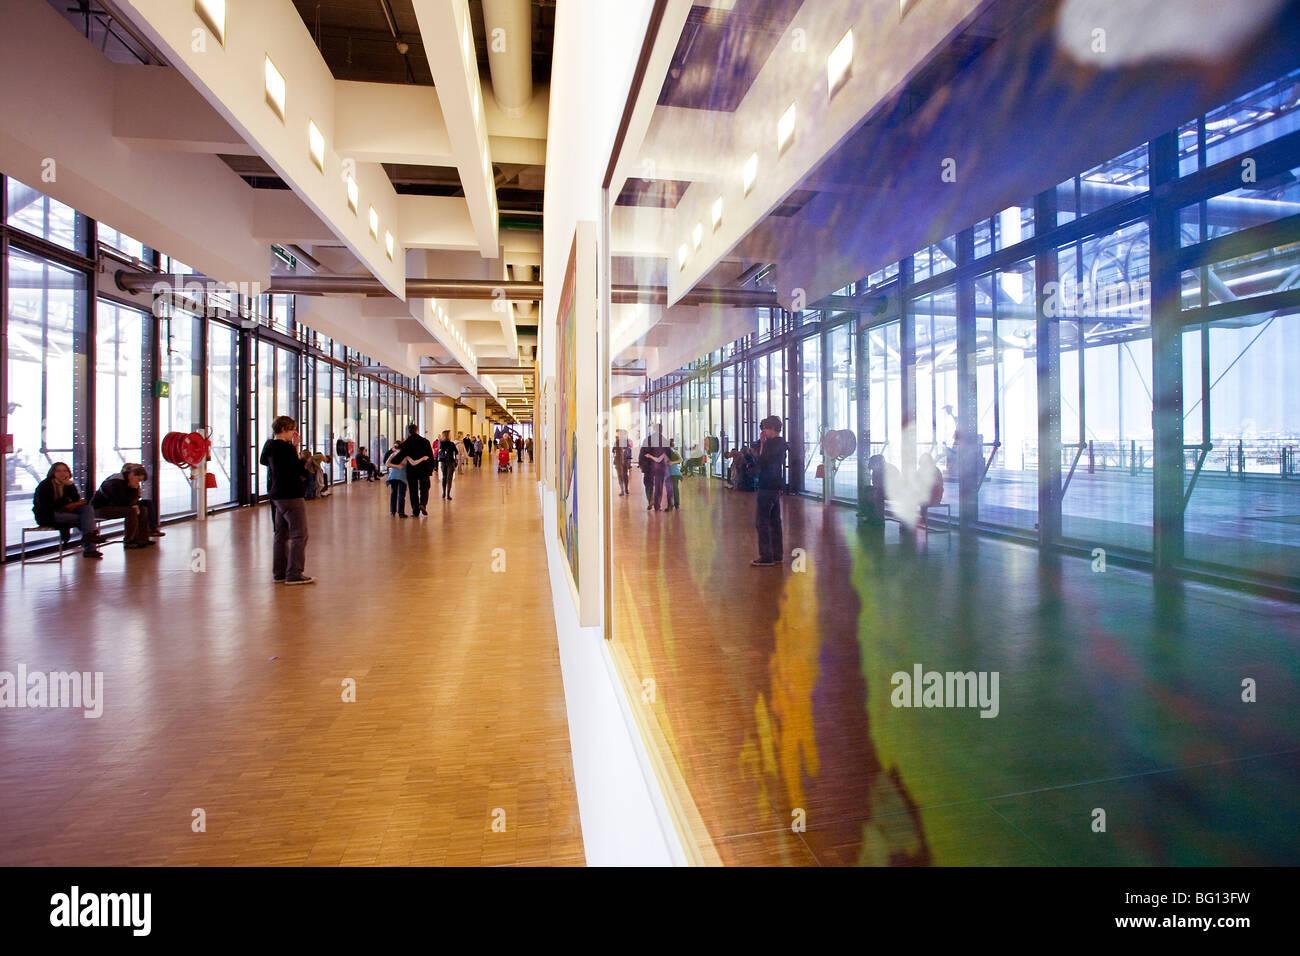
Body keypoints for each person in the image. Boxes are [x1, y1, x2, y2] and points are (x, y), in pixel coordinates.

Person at [260, 415, 313, 585]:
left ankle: (279, 572)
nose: (293, 434)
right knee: (299, 534)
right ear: (283, 429)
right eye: (292, 430)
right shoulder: (286, 448)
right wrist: (296, 449)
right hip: (291, 494)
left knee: (280, 534)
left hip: (276, 494)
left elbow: (263, 461)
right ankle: (294, 573)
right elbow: (301, 469)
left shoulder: (269, 445)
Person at [32, 462, 104, 559]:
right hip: (48, 515)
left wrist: (70, 486)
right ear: (53, 473)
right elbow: (47, 506)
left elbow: (76, 500)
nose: (62, 473)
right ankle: (90, 547)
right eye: (59, 471)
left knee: (87, 509)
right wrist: (68, 503)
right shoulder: (45, 485)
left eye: (65, 471)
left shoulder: (68, 485)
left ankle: (88, 536)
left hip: (65, 512)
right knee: (86, 521)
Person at [92, 463, 157, 549]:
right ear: (132, 475)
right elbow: (120, 501)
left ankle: (142, 538)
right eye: (138, 479)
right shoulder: (115, 482)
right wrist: (133, 497)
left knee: (143, 509)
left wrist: (134, 491)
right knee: (131, 511)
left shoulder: (128, 482)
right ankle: (129, 540)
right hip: (100, 509)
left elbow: (132, 501)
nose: (138, 483)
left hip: (113, 507)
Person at [752, 415, 787, 567]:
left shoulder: (771, 444)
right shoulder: (782, 443)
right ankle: (777, 554)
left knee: (762, 521)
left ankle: (766, 556)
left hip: (766, 485)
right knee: (775, 521)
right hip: (775, 485)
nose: (764, 431)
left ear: (772, 428)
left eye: (765, 428)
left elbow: (762, 461)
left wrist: (762, 445)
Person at [401, 424, 434, 516]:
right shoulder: (425, 441)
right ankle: (422, 504)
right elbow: (430, 456)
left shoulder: (406, 443)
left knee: (413, 490)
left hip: (411, 470)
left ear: (408, 432)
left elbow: (402, 456)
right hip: (423, 469)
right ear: (417, 430)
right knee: (424, 487)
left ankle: (415, 510)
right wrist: (431, 469)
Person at [384, 441, 408, 517]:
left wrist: (395, 466)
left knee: (394, 493)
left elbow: (387, 463)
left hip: (393, 476)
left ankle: (392, 511)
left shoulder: (393, 454)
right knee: (401, 494)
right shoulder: (404, 455)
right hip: (402, 476)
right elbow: (409, 463)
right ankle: (401, 512)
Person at [438, 429, 459, 499]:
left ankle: (443, 493)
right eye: (450, 434)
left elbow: (440, 450)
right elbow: (456, 452)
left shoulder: (441, 443)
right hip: (450, 462)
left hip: (443, 462)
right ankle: (448, 494)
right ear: (448, 435)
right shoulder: (451, 444)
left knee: (444, 477)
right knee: (449, 479)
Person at [666, 440, 683, 511]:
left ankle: (674, 505)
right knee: (673, 489)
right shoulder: (669, 452)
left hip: (673, 473)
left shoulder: (674, 452)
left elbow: (681, 460)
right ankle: (674, 505)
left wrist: (672, 462)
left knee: (672, 489)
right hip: (670, 473)